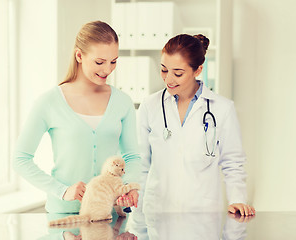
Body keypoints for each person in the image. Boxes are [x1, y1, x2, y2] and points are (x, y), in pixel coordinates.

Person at [13, 21, 140, 213]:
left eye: (113, 61)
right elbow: (20, 158)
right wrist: (62, 191)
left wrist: (130, 187)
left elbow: (131, 156)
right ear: (79, 55)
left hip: (107, 214)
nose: (107, 70)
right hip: (63, 215)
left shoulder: (123, 102)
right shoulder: (49, 102)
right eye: (99, 62)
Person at [135, 34, 255, 216]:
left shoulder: (222, 108)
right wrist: (135, 211)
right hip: (158, 212)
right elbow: (141, 163)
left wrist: (237, 199)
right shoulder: (150, 105)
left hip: (203, 213)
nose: (168, 79)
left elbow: (233, 162)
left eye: (178, 73)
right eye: (163, 70)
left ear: (198, 70)